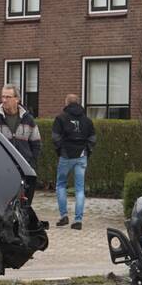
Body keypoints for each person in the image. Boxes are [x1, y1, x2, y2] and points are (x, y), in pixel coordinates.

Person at [0, 84, 41, 203]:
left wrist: (31, 163)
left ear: (17, 99)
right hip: (2, 169)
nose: (4, 100)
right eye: (2, 97)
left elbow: (36, 143)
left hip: (23, 169)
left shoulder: (29, 119)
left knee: (24, 203)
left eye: (8, 97)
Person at [52, 94, 96, 230]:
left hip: (66, 156)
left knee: (60, 185)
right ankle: (78, 220)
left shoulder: (60, 118)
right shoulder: (87, 120)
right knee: (79, 189)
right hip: (81, 155)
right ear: (78, 103)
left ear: (66, 103)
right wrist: (87, 150)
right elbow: (93, 138)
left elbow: (55, 137)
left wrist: (61, 150)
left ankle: (64, 215)